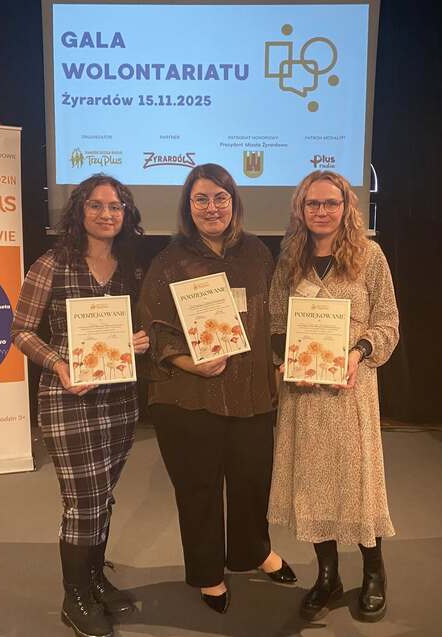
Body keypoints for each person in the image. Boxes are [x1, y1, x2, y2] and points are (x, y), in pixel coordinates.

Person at [138, 163, 295, 614]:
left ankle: (253, 551)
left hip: (251, 392)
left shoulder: (258, 253)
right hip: (189, 395)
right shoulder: (169, 261)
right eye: (201, 199)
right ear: (188, 206)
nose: (212, 207)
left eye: (220, 198)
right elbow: (153, 327)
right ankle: (209, 573)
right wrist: (190, 362)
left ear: (234, 202)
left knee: (252, 481)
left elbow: (275, 314)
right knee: (199, 488)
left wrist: (282, 359)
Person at [11, 174, 149, 637]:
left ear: (126, 214)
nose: (107, 214)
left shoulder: (131, 268)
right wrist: (59, 364)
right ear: (79, 211)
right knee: (84, 502)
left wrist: (141, 340)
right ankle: (75, 597)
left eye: (116, 206)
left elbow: (141, 327)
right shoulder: (52, 263)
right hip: (68, 398)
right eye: (96, 205)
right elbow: (21, 331)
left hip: (120, 398)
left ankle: (94, 580)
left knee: (102, 496)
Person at [267, 170, 399, 623]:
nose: (321, 211)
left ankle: (374, 571)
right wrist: (285, 359)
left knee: (357, 480)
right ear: (300, 209)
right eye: (313, 204)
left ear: (346, 208)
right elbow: (276, 321)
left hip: (350, 389)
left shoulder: (369, 256)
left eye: (331, 203)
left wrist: (358, 353)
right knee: (312, 482)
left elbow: (387, 322)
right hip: (303, 393)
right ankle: (328, 575)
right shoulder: (290, 259)